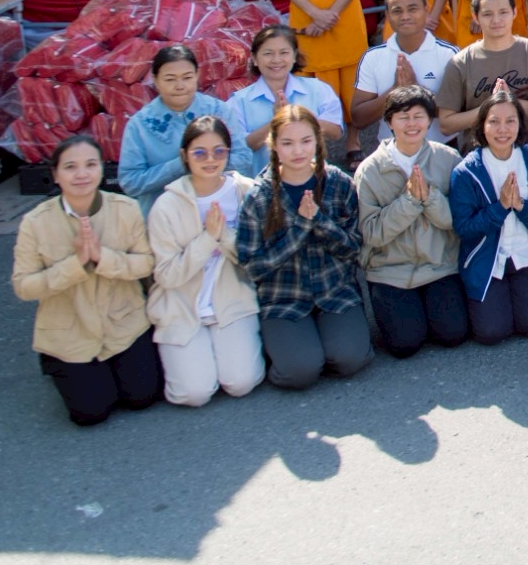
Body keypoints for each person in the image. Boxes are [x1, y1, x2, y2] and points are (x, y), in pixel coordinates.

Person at [12, 134, 163, 425]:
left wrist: (103, 257)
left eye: (90, 164)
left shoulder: (125, 208)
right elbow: (24, 286)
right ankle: (57, 363)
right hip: (71, 330)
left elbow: (146, 264)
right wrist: (76, 263)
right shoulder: (35, 222)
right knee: (91, 413)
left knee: (142, 397)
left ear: (101, 170)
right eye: (70, 167)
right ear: (55, 175)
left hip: (123, 323)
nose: (81, 174)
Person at [234, 106, 373, 388]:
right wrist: (299, 228)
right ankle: (289, 349)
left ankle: (321, 345)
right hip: (284, 298)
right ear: (274, 145)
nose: (298, 150)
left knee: (350, 359)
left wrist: (319, 221)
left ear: (318, 141)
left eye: (306, 141)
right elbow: (253, 266)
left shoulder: (338, 183)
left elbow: (354, 248)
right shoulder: (259, 196)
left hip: (335, 291)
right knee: (300, 372)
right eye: (287, 143)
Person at [146, 116, 264, 407]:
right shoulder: (166, 205)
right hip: (181, 303)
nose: (210, 159)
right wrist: (206, 240)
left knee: (241, 383)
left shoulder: (245, 191)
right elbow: (166, 275)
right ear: (185, 155)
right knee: (194, 394)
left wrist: (223, 235)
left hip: (233, 299)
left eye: (219, 151)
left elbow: (258, 258)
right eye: (200, 152)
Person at [354, 86, 467, 358]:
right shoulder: (369, 170)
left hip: (439, 265)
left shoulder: (448, 159)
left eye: (419, 116)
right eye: (403, 116)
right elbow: (371, 234)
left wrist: (430, 198)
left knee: (452, 334)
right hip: (389, 270)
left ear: (430, 121)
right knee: (405, 344)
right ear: (389, 122)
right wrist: (409, 202)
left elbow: (459, 222)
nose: (412, 124)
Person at [449, 91, 528, 345]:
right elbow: (463, 227)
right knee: (491, 333)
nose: (502, 129)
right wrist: (500, 208)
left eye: (510, 121)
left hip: (527, 253)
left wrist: (520, 205)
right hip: (486, 258)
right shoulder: (466, 171)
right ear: (481, 126)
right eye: (494, 121)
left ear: (520, 124)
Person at [119, 45, 252, 212]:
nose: (180, 85)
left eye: (187, 77)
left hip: (220, 213)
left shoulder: (219, 111)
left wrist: (206, 161)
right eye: (170, 79)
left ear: (197, 75)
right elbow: (130, 182)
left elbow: (243, 158)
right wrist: (180, 165)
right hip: (164, 220)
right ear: (155, 80)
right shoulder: (139, 125)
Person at [435, 0, 528, 143]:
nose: (496, 20)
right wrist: (490, 107)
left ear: (515, 12)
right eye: (487, 14)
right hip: (478, 157)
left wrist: (513, 103)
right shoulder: (461, 63)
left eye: (503, 12)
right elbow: (446, 124)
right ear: (476, 17)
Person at [349, 0, 456, 156]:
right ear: (387, 16)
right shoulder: (372, 57)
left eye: (412, 9)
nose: (405, 16)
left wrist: (416, 91)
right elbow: (358, 118)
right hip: (390, 153)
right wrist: (394, 93)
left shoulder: (449, 54)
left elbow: (457, 114)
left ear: (426, 11)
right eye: (397, 11)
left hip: (442, 151)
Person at [225, 25, 343, 164]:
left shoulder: (317, 88)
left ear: (294, 56)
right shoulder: (239, 101)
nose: (276, 60)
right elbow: (240, 148)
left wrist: (297, 116)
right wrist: (277, 121)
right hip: (260, 181)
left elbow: (336, 132)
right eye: (268, 53)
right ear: (254, 59)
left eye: (284, 52)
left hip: (312, 178)